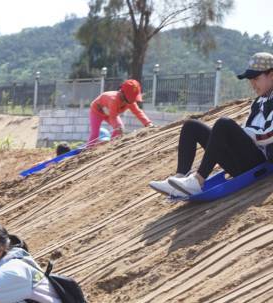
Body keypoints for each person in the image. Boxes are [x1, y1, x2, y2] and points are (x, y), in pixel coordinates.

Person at [150, 52, 273, 197]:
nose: (252, 84)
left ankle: (197, 180)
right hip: (242, 160)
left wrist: (241, 134)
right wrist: (238, 134)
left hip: (259, 162)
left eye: (256, 78)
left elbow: (268, 135)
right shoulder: (258, 102)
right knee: (191, 126)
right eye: (250, 79)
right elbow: (249, 128)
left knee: (224, 123)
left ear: (271, 75)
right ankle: (179, 179)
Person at [87, 79, 153, 148]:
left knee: (119, 129)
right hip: (96, 112)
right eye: (131, 98)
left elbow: (138, 112)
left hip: (110, 113)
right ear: (123, 94)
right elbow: (113, 117)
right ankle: (87, 149)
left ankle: (110, 146)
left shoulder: (130, 102)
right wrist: (117, 127)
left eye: (134, 98)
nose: (133, 101)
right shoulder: (113, 99)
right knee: (95, 134)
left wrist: (148, 123)